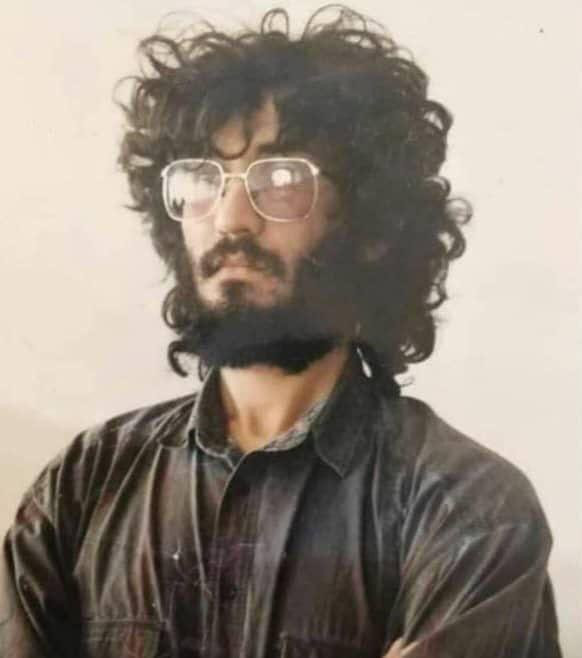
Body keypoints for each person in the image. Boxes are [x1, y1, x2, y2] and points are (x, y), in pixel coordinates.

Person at [0, 6, 562, 658]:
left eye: (281, 178)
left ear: (372, 225)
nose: (230, 218)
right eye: (202, 179)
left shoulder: (467, 511)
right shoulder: (83, 483)